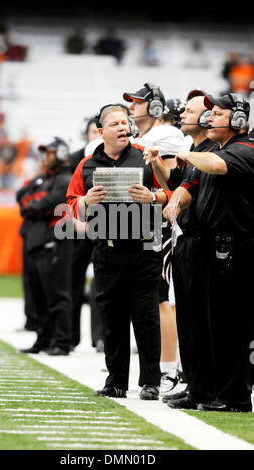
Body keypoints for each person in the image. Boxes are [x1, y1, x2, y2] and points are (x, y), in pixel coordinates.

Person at [66, 104, 169, 400]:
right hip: (107, 250)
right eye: (115, 124)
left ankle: (151, 381)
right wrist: (87, 202)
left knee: (146, 317)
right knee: (112, 318)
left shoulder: (146, 155)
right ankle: (116, 381)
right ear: (101, 132)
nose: (123, 127)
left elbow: (172, 190)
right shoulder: (86, 164)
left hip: (144, 248)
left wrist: (152, 197)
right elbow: (72, 203)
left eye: (126, 122)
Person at [163, 93, 254, 412]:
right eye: (210, 113)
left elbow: (214, 166)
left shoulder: (245, 149)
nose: (210, 118)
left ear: (239, 120)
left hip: (237, 248)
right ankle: (205, 389)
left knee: (232, 326)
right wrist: (176, 196)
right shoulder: (219, 150)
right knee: (206, 324)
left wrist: (188, 157)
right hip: (211, 247)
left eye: (218, 114)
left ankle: (235, 396)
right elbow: (193, 187)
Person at [147, 94, 217, 402]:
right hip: (187, 238)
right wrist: (157, 164)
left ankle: (207, 386)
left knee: (203, 318)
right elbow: (173, 184)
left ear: (205, 118)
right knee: (188, 315)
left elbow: (184, 193)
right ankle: (194, 384)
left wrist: (174, 199)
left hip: (204, 240)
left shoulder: (211, 152)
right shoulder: (192, 150)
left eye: (189, 111)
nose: (182, 115)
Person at [123, 83, 187, 396]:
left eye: (138, 103)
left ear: (156, 108)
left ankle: (168, 369)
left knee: (162, 298)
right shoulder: (143, 138)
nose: (133, 108)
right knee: (151, 299)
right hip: (143, 227)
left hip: (162, 227)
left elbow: (173, 181)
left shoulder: (167, 136)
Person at [18, 137, 73, 356]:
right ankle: (43, 338)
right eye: (46, 153)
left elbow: (47, 203)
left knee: (58, 293)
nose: (46, 157)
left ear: (60, 154)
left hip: (55, 242)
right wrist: (36, 202)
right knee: (38, 294)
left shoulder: (65, 179)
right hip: (38, 243)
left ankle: (61, 341)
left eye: (50, 152)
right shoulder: (42, 179)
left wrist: (36, 202)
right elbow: (22, 198)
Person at [69, 117, 105, 351]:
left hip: (104, 226)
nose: (96, 136)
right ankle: (70, 336)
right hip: (79, 226)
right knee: (72, 281)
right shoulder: (76, 159)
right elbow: (70, 195)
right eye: (93, 131)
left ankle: (100, 337)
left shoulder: (113, 157)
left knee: (101, 283)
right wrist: (75, 222)